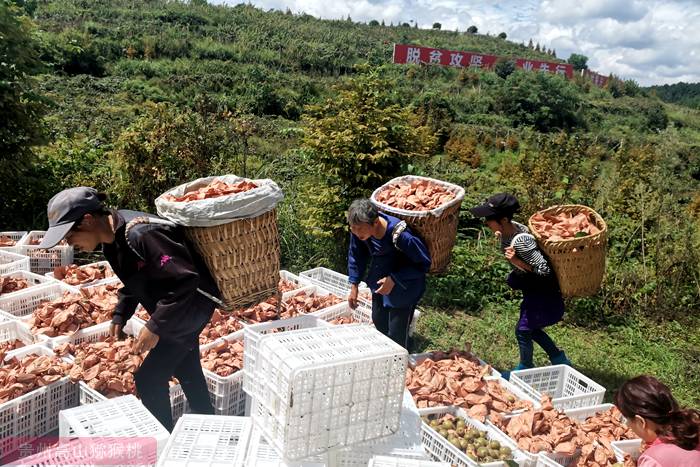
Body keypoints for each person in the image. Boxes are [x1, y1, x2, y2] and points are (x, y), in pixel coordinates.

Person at [39, 187, 219, 431]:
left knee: (148, 379)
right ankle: (209, 418)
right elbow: (136, 277)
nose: (70, 244)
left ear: (89, 220)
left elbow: (186, 280)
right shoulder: (112, 241)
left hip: (190, 306)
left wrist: (155, 326)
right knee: (185, 364)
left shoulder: (141, 235)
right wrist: (121, 314)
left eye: (70, 236)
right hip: (176, 308)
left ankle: (162, 443)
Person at [470, 193, 570, 379]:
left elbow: (544, 270)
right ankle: (559, 359)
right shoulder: (508, 232)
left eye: (489, 219)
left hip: (543, 293)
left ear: (504, 219)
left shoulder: (521, 241)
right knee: (531, 329)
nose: (486, 223)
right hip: (533, 290)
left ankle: (525, 366)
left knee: (523, 330)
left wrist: (517, 261)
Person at [346, 199, 431, 349]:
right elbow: (356, 255)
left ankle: (404, 356)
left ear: (375, 223)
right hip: (380, 282)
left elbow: (424, 264)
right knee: (379, 321)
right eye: (353, 228)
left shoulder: (402, 236)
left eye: (360, 228)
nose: (356, 232)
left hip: (405, 288)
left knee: (397, 332)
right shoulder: (360, 232)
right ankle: (389, 354)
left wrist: (394, 279)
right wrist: (354, 284)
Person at [615, 375, 700, 466]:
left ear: (640, 422)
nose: (627, 425)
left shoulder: (653, 460)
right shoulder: (693, 429)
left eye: (627, 420)